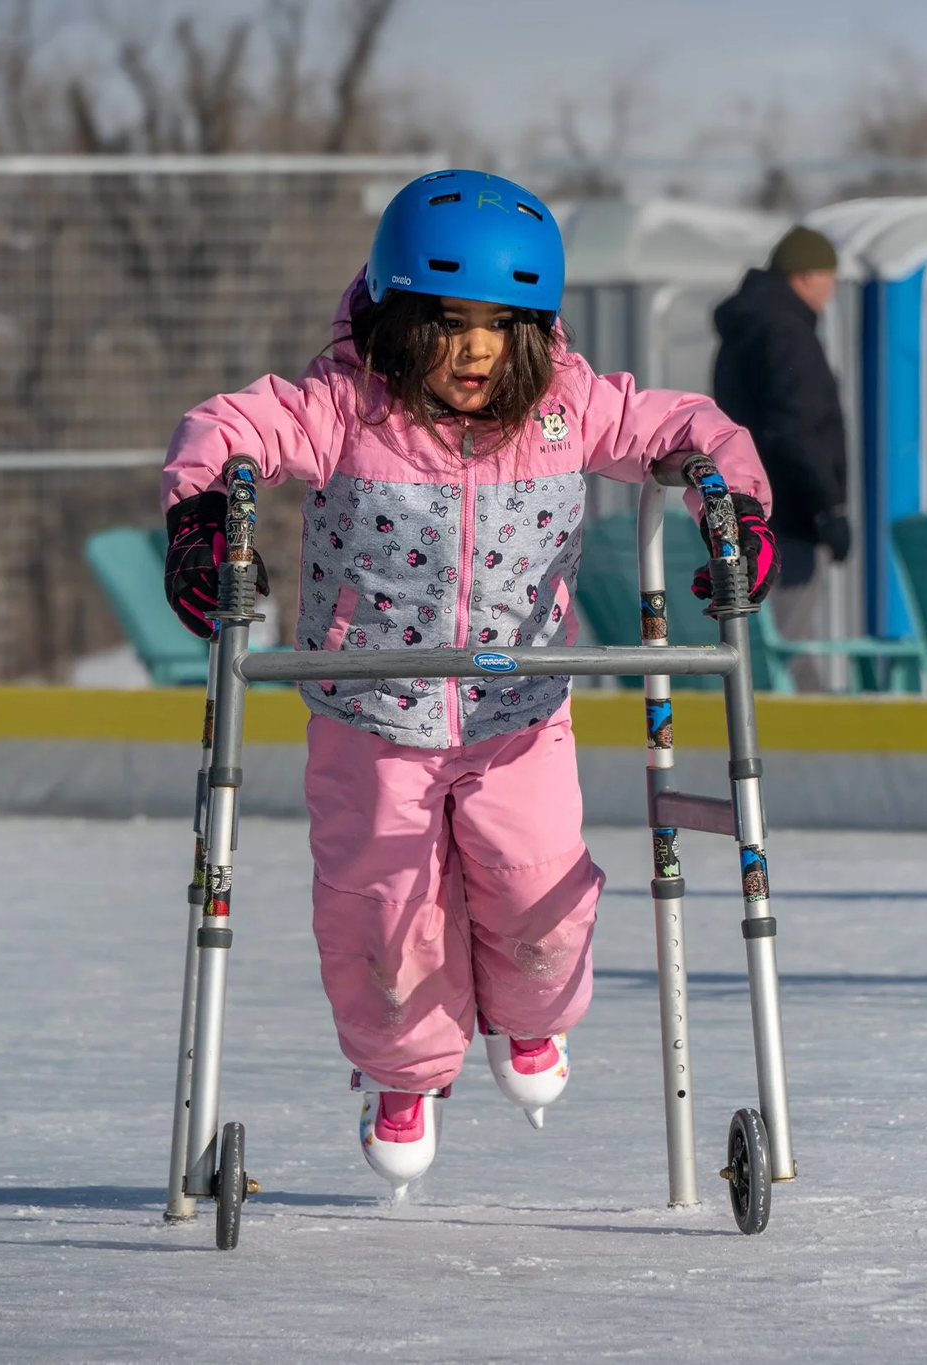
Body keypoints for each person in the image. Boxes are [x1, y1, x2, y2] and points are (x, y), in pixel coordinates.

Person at [159, 170, 774, 1198]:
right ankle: (402, 1077)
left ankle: (530, 1021)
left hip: (518, 712)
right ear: (398, 318)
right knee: (383, 918)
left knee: (540, 888)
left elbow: (693, 429)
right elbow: (224, 430)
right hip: (369, 715)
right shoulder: (342, 410)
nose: (476, 350)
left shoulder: (568, 410)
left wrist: (737, 509)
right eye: (447, 323)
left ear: (535, 329)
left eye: (502, 325)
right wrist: (195, 527)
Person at [712, 225, 851, 684]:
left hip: (747, 506)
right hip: (788, 516)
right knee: (788, 647)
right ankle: (821, 746)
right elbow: (799, 426)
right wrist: (827, 506)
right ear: (806, 276)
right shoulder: (788, 332)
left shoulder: (745, 328)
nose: (831, 292)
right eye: (829, 278)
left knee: (768, 641)